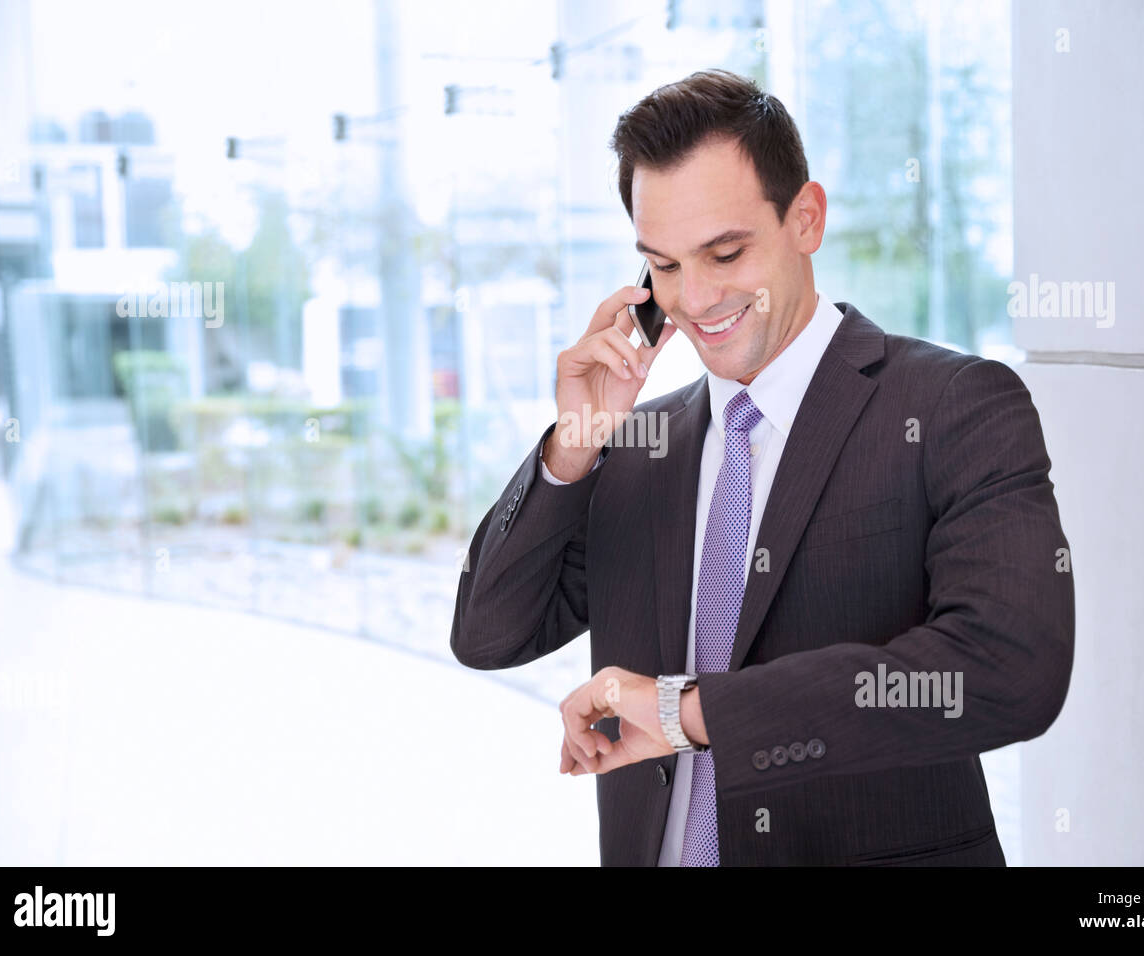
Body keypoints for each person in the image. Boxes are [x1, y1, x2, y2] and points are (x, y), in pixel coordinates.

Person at [450, 68, 1073, 866]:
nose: (697, 297)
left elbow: (1008, 668)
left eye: (725, 252)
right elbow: (488, 635)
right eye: (664, 266)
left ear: (805, 218)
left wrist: (686, 713)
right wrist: (573, 445)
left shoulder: (955, 405)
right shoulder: (639, 449)